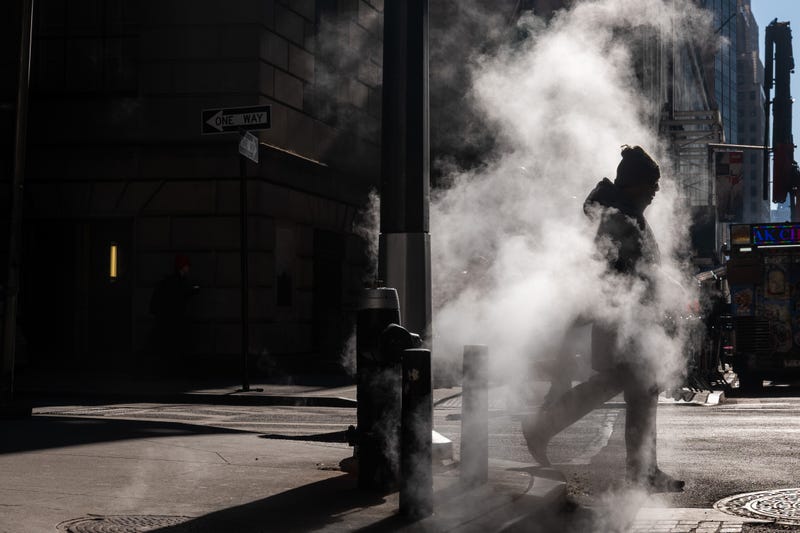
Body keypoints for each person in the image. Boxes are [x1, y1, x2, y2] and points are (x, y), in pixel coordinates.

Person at [522, 145, 685, 493]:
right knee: (631, 387)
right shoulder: (619, 219)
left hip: (634, 322)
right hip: (624, 321)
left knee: (634, 389)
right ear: (633, 185)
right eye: (651, 185)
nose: (656, 192)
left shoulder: (629, 215)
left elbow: (641, 271)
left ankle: (641, 470)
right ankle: (545, 429)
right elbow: (613, 275)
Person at [149, 254, 198, 372]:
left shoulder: (170, 281)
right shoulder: (178, 281)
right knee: (173, 344)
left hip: (167, 317)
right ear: (183, 267)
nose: (188, 269)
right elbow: (179, 296)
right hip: (173, 318)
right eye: (187, 266)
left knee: (167, 344)